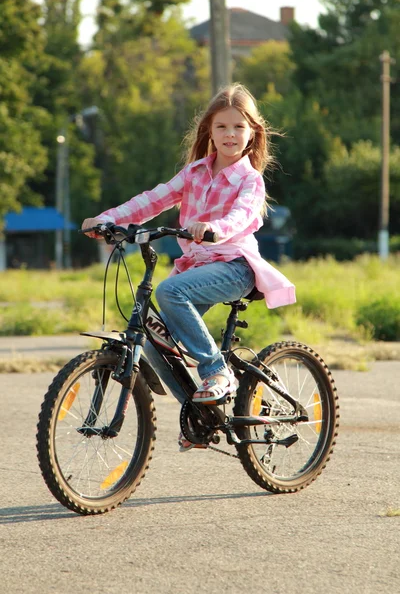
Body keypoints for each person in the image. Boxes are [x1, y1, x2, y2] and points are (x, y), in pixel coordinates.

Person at [82, 83, 296, 450]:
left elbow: (240, 216)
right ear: (208, 132)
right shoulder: (195, 172)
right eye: (222, 127)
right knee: (154, 340)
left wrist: (213, 229)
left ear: (252, 133)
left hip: (234, 266)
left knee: (168, 291)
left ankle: (217, 372)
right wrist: (107, 220)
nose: (230, 135)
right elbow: (153, 200)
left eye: (238, 127)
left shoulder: (250, 179)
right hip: (193, 268)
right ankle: (199, 417)